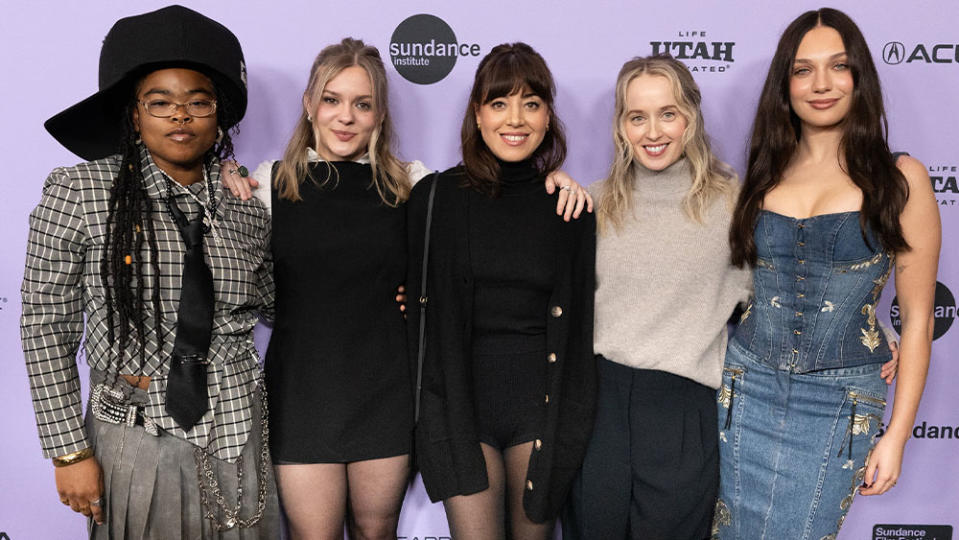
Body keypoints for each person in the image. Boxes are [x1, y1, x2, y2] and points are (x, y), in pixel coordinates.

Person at [218, 38, 592, 540]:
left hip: (386, 392)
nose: (346, 116)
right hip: (302, 392)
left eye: (363, 103)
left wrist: (559, 179)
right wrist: (221, 173)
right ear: (309, 105)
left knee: (379, 531)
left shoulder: (411, 186)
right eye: (332, 99)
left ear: (380, 114)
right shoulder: (270, 186)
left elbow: (494, 205)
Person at [21, 5, 278, 538]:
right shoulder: (82, 192)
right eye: (160, 103)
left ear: (219, 116)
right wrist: (69, 451)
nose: (180, 116)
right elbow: (46, 326)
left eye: (198, 102)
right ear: (134, 115)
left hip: (238, 434)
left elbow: (277, 303)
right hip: (134, 437)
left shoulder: (246, 207)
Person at [716, 8, 940, 539]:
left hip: (840, 403)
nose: (821, 84)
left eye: (838, 67)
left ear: (859, 77)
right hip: (744, 389)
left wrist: (898, 436)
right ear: (785, 84)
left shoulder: (901, 178)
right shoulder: (762, 174)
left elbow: (918, 317)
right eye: (802, 69)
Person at [406, 42, 596, 540]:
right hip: (457, 403)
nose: (516, 119)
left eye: (531, 104)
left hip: (542, 406)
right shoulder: (435, 198)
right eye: (499, 103)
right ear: (477, 112)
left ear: (548, 114)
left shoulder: (569, 207)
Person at [562, 55, 749, 540]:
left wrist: (865, 334)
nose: (652, 131)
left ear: (691, 116)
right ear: (621, 127)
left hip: (683, 409)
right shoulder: (591, 203)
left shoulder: (736, 204)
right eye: (636, 116)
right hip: (596, 406)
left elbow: (788, 296)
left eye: (668, 113)